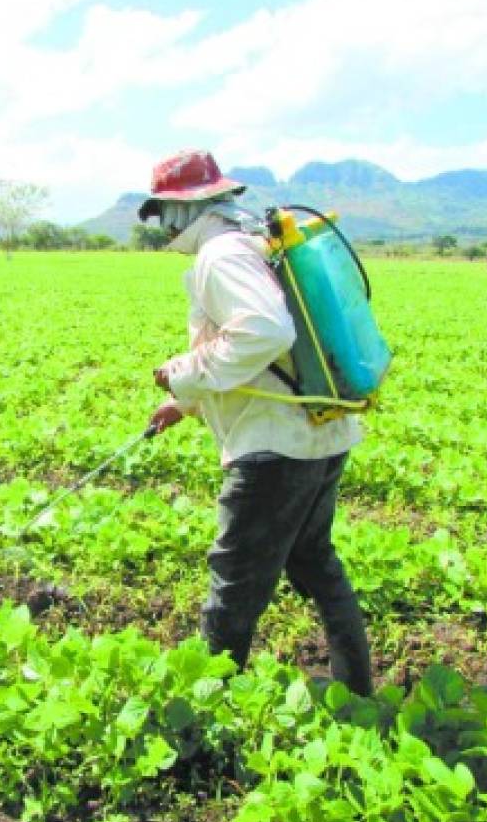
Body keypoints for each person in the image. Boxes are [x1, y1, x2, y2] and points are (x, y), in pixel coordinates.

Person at [139, 149, 373, 695]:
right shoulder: (256, 244)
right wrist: (187, 402)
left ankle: (208, 711)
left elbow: (264, 334)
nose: (162, 227)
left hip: (274, 449)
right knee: (315, 561)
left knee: (233, 584)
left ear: (184, 210)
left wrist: (181, 372)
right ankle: (357, 690)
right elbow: (266, 354)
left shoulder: (220, 255)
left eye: (163, 213)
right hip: (320, 430)